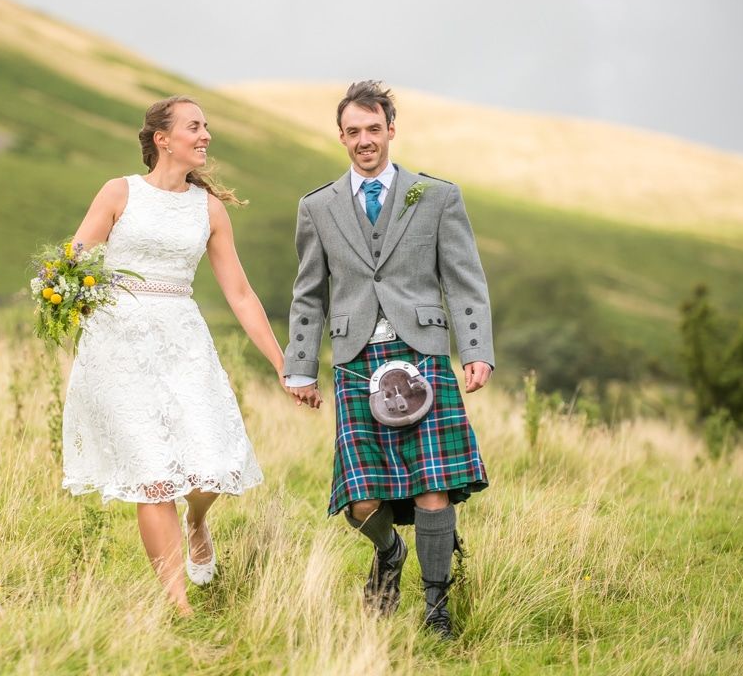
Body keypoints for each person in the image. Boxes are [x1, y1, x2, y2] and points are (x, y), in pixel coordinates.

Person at [62, 95, 287, 616]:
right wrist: (68, 299)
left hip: (183, 342)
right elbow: (74, 261)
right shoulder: (119, 192)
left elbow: (241, 294)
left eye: (206, 126)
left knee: (210, 464)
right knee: (153, 475)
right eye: (194, 127)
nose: (205, 135)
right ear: (163, 139)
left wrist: (281, 362)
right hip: (118, 347)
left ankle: (198, 519)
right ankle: (179, 608)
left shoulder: (208, 209)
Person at [283, 80, 493, 638]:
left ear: (391, 130)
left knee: (433, 482)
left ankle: (435, 607)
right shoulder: (318, 207)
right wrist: (300, 366)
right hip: (354, 356)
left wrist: (476, 351)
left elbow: (465, 281)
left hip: (421, 349)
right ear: (342, 136)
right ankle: (390, 550)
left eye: (373, 129)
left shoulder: (437, 196)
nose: (364, 141)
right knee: (360, 494)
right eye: (353, 132)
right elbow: (309, 294)